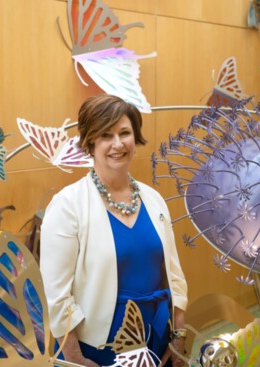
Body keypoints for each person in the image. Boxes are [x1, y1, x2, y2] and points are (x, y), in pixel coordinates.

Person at [40, 94, 188, 366]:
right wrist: (73, 356)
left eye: (125, 133)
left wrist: (178, 336)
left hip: (156, 338)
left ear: (136, 137)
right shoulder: (67, 205)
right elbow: (56, 294)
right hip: (96, 348)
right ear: (90, 142)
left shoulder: (153, 199)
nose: (118, 144)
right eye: (106, 135)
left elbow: (174, 276)